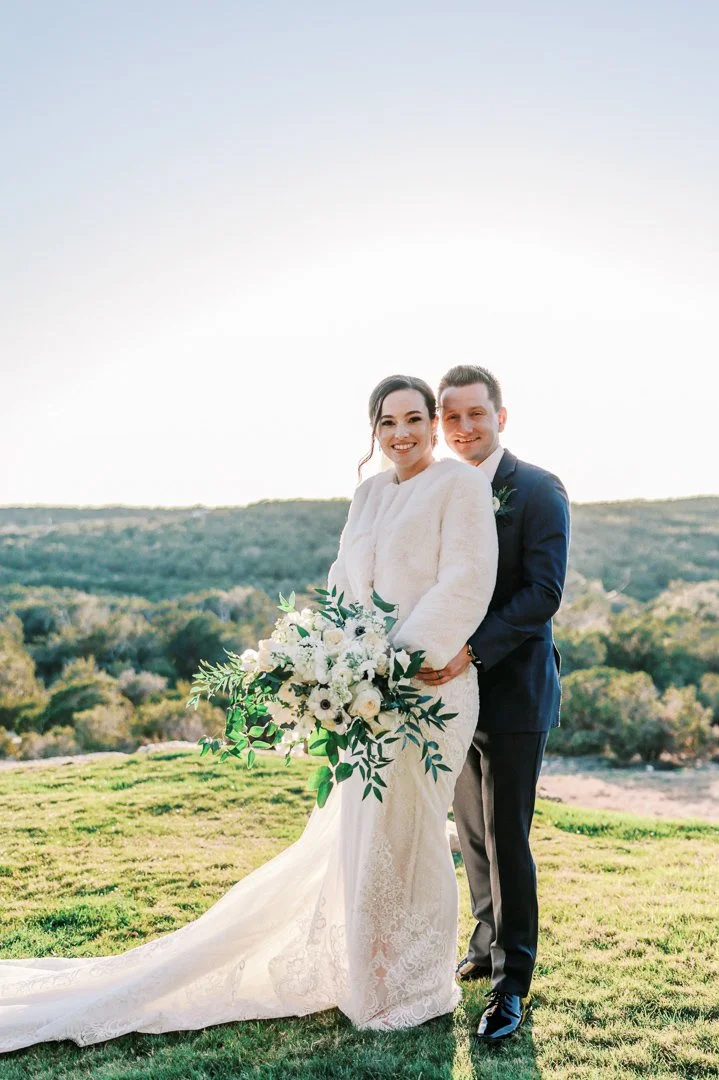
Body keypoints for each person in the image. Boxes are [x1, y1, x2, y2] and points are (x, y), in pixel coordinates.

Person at [0, 375, 497, 1052]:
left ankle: (413, 985)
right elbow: (342, 582)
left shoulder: (458, 485)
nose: (402, 433)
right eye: (388, 422)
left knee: (409, 831)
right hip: (363, 692)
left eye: (414, 419)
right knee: (366, 833)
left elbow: (464, 580)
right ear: (374, 431)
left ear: (434, 425)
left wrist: (396, 663)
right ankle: (370, 973)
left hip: (427, 690)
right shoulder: (368, 494)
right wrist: (334, 655)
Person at [419, 364, 570, 1043]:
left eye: (475, 413)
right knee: (472, 834)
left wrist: (470, 653)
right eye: (451, 416)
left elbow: (543, 593)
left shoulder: (537, 488)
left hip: (512, 691)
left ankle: (512, 984)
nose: (463, 427)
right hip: (450, 698)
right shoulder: (438, 490)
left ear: (500, 417)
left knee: (507, 838)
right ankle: (484, 946)